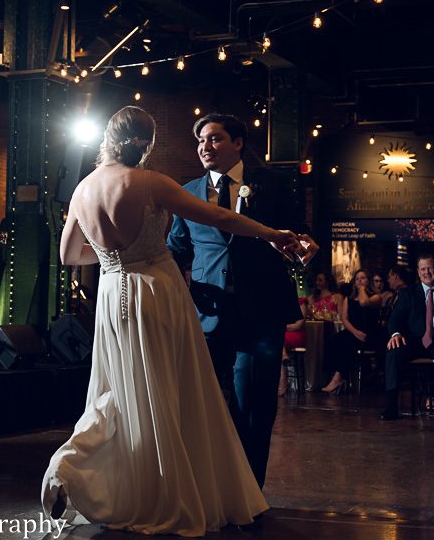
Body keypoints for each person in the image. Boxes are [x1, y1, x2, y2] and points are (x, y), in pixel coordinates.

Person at [43, 106, 297, 534]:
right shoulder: (150, 183)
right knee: (170, 393)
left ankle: (70, 468)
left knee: (120, 392)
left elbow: (70, 255)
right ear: (146, 143)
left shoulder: (83, 189)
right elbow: (218, 216)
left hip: (111, 295)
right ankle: (172, 492)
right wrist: (272, 233)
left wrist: (111, 259)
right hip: (154, 295)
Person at [166, 112, 316, 488]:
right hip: (208, 315)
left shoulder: (274, 184)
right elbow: (176, 250)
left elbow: (300, 234)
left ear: (237, 143)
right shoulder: (187, 192)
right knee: (201, 405)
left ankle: (247, 491)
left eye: (214, 138)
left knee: (254, 403)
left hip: (260, 313)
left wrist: (306, 246)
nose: (205, 146)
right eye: (201, 140)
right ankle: (207, 486)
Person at [380, 255, 434, 419]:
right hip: (414, 342)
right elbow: (395, 319)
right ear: (418, 272)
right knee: (393, 351)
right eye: (423, 269)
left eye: (430, 268)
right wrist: (395, 334)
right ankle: (391, 406)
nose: (427, 272)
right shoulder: (407, 293)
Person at [321, 269, 382, 395]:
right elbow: (344, 319)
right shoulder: (349, 299)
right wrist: (355, 332)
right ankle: (335, 376)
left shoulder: (376, 297)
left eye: (363, 278)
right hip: (354, 332)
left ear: (368, 280)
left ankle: (338, 379)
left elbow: (364, 303)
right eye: (357, 279)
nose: (360, 280)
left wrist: (362, 289)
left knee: (345, 343)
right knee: (333, 340)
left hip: (369, 334)